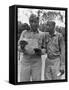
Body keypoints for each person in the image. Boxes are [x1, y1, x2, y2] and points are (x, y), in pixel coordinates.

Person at [18, 14, 45, 82]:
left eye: (35, 22)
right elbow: (18, 47)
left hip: (37, 62)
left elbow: (45, 49)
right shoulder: (24, 33)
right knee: (23, 81)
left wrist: (41, 51)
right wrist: (22, 47)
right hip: (25, 61)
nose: (33, 23)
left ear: (38, 22)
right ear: (29, 22)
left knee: (36, 82)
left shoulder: (42, 34)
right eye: (31, 21)